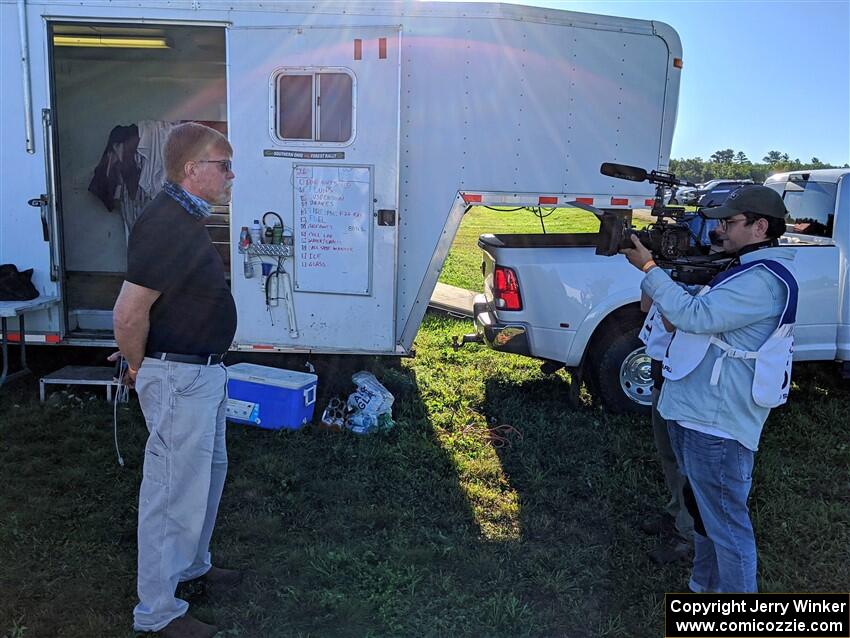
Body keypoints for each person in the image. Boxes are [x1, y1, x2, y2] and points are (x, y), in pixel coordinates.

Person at [621, 186, 797, 593]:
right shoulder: (741, 269)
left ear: (760, 227)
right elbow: (677, 318)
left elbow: (696, 318)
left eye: (730, 222)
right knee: (703, 512)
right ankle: (704, 587)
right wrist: (662, 283)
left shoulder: (763, 281)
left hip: (718, 422)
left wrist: (650, 269)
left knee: (728, 528)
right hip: (697, 410)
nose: (719, 230)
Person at [111, 123, 239, 637]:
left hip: (201, 374)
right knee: (170, 493)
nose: (231, 176)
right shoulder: (164, 222)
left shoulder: (187, 219)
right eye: (223, 166)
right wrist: (140, 368)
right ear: (192, 170)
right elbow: (128, 313)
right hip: (176, 376)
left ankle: (192, 567)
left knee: (205, 476)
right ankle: (156, 613)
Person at [638, 293, 694, 564]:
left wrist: (657, 275)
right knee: (667, 452)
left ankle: (687, 534)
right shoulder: (669, 273)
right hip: (662, 371)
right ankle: (675, 512)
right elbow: (645, 304)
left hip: (684, 377)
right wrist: (655, 271)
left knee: (686, 460)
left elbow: (674, 320)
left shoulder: (701, 273)